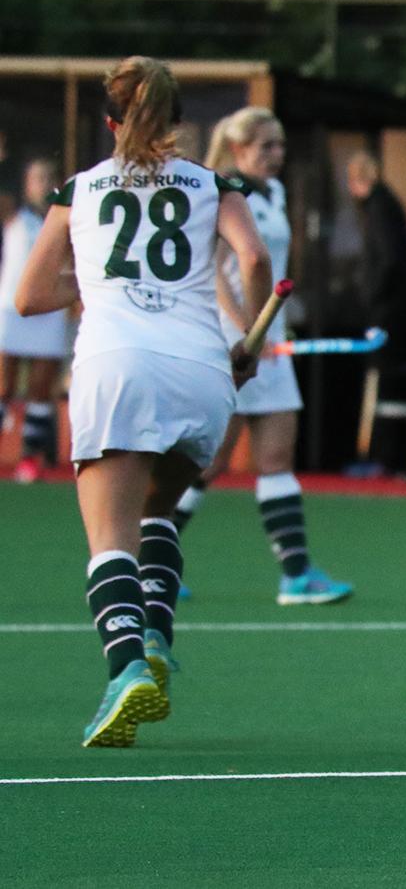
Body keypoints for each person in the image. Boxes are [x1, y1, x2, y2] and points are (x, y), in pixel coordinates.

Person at [14, 56, 271, 746]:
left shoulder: (80, 187)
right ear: (179, 120)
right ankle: (156, 631)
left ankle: (126, 666)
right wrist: (246, 336)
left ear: (109, 121)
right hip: (201, 368)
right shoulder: (216, 184)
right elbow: (251, 260)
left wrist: (92, 283)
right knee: (158, 509)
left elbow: (29, 296)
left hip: (116, 365)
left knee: (109, 540)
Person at [169, 108, 353, 605]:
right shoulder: (227, 192)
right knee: (208, 461)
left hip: (267, 337)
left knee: (273, 457)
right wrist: (251, 330)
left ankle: (295, 574)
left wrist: (268, 327)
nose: (276, 154)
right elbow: (215, 272)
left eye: (279, 145)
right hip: (237, 340)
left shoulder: (274, 193)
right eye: (265, 146)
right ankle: (150, 560)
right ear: (238, 149)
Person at [347, 151, 406, 466]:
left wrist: (370, 297)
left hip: (386, 312)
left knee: (380, 380)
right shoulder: (387, 205)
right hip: (392, 308)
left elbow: (388, 259)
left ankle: (380, 453)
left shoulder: (379, 207)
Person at [0, 157, 67, 482]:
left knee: (40, 390)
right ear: (26, 184)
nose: (42, 184)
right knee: (4, 386)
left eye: (48, 177)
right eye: (36, 178)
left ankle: (29, 459)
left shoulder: (65, 214)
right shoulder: (13, 215)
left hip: (50, 310)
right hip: (11, 309)